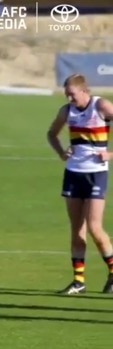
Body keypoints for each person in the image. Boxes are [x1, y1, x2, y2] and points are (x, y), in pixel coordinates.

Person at [46, 73, 113, 295]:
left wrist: (110, 154)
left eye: (72, 95)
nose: (69, 100)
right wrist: (61, 152)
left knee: (94, 227)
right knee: (77, 229)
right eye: (67, 96)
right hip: (73, 173)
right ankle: (78, 281)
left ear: (84, 91)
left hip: (96, 174)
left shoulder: (101, 106)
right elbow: (52, 134)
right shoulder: (67, 111)